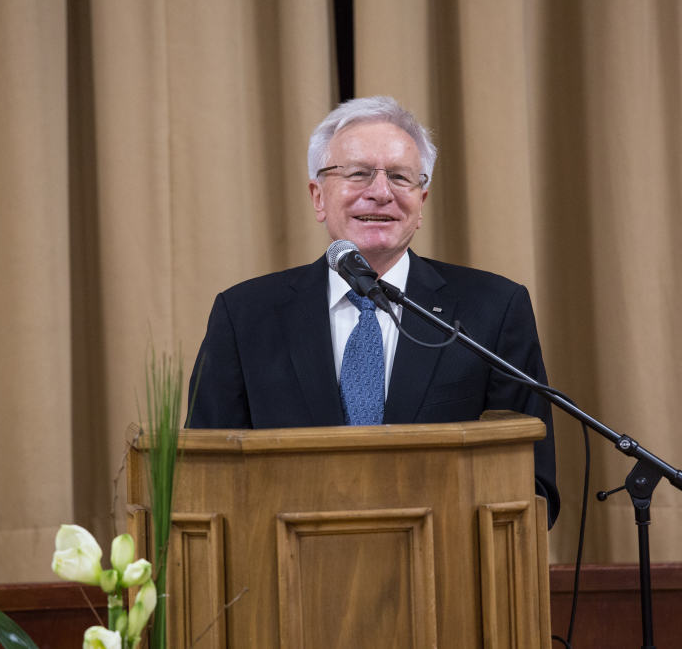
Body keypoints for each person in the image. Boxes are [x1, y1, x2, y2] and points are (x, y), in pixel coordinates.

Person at [188, 96, 559, 525]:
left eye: (399, 177)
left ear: (421, 201)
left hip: (444, 559)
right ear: (318, 197)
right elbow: (205, 480)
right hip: (287, 559)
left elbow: (532, 483)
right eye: (358, 174)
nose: (381, 193)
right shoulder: (244, 316)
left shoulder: (494, 308)